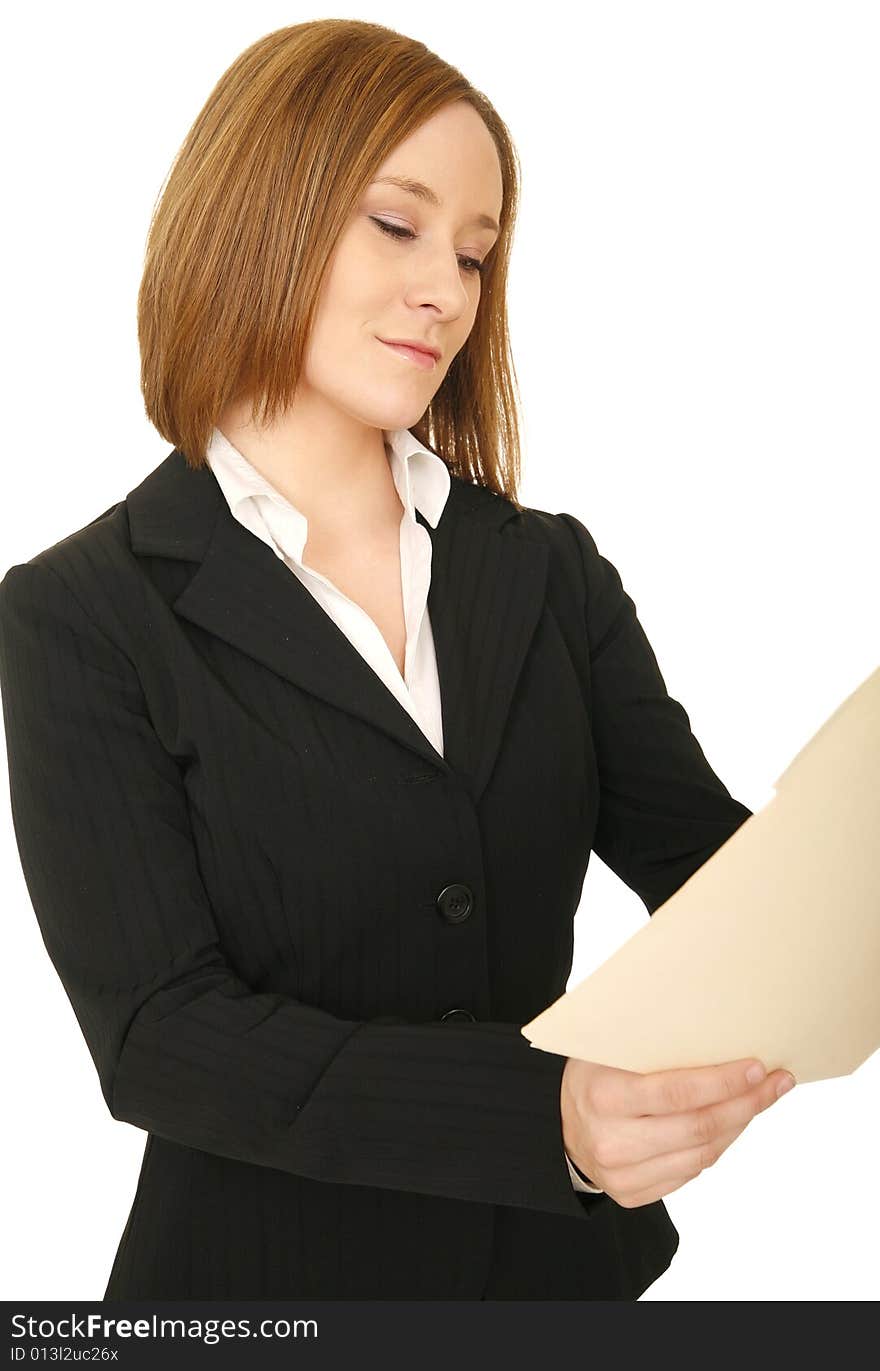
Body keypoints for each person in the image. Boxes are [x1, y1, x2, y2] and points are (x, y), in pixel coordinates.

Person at [0, 19, 795, 1301]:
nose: (449, 288)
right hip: (258, 1299)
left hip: (558, 1282)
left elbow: (706, 870)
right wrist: (546, 1121)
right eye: (397, 225)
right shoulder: (81, 614)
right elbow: (160, 1034)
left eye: (476, 253)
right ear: (260, 209)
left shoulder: (545, 570)